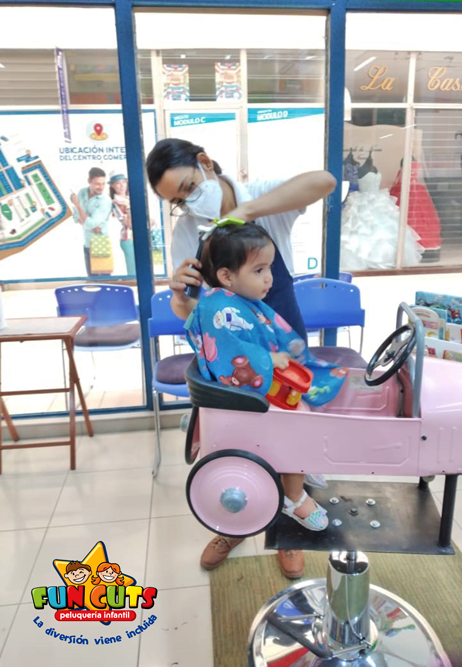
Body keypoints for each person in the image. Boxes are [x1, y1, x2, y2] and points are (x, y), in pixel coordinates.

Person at [146, 137, 337, 579]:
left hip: (280, 333)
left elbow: (324, 181)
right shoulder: (187, 233)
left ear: (205, 163)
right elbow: (190, 312)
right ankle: (235, 523)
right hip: (231, 353)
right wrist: (179, 293)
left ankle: (287, 524)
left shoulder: (262, 197)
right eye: (177, 201)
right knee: (239, 438)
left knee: (290, 429)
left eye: (189, 187)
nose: (188, 203)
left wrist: (247, 213)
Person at [186, 221, 348, 528]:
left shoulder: (233, 300)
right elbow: (233, 358)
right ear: (226, 276)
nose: (269, 278)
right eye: (259, 270)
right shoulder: (220, 309)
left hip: (260, 384)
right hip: (241, 394)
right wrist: (269, 358)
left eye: (270, 268)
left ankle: (300, 466)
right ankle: (294, 497)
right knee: (298, 420)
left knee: (308, 398)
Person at [71, 167, 112, 276]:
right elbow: (76, 216)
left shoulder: (105, 201)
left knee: (104, 281)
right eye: (98, 184)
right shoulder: (82, 192)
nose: (101, 187)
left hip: (100, 242)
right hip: (87, 241)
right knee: (92, 280)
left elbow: (91, 223)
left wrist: (77, 205)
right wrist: (88, 223)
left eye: (103, 184)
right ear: (89, 181)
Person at [108, 171, 136, 275]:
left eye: (123, 182)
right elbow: (130, 224)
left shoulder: (130, 198)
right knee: (133, 272)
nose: (122, 186)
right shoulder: (115, 203)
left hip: (139, 238)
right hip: (128, 238)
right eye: (118, 183)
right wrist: (128, 208)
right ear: (112, 185)